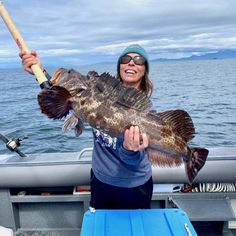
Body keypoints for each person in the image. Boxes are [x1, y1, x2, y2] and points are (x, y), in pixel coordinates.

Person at [20, 44, 154, 209]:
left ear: (145, 69)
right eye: (126, 59)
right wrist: (38, 70)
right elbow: (63, 95)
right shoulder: (98, 93)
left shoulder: (146, 113)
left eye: (138, 60)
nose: (131, 63)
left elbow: (135, 160)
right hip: (100, 181)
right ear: (120, 65)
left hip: (134, 186)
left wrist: (129, 150)